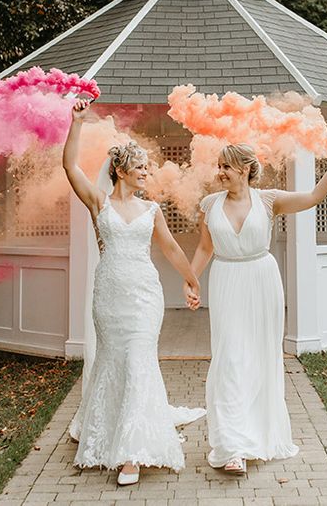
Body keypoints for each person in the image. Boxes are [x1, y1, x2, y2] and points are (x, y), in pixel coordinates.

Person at [191, 142, 327, 475]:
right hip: (226, 281)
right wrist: (190, 280)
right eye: (219, 165)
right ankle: (233, 447)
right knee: (231, 360)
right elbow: (205, 247)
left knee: (260, 359)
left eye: (227, 166)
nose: (220, 172)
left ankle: (256, 436)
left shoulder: (268, 200)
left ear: (245, 169)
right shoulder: (209, 204)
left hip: (262, 280)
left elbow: (312, 197)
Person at [63, 98, 205, 485]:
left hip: (144, 295)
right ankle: (108, 431)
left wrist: (192, 278)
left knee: (139, 358)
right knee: (114, 360)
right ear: (121, 171)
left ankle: (132, 453)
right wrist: (76, 123)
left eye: (147, 167)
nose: (147, 172)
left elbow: (172, 248)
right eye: (140, 167)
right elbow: (70, 167)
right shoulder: (98, 204)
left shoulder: (152, 210)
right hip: (109, 295)